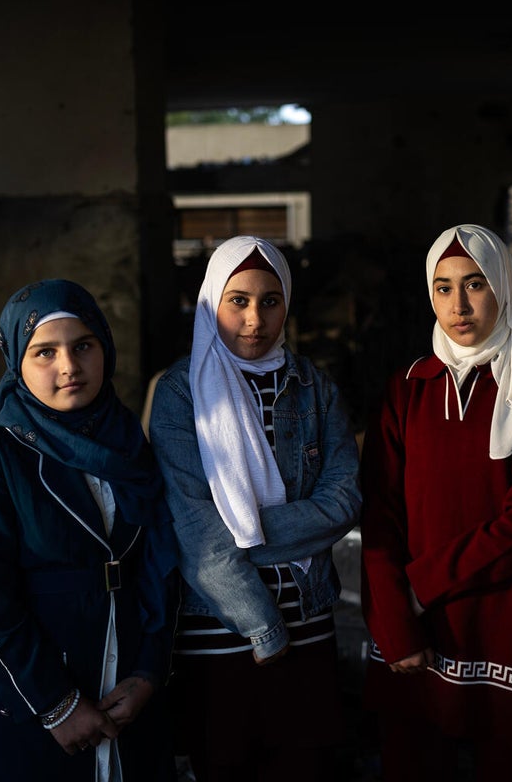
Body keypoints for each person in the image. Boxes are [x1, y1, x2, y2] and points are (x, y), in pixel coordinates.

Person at [0, 279, 179, 782]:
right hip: (37, 703)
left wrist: (148, 672)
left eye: (83, 345)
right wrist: (56, 705)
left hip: (129, 698)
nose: (69, 366)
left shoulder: (129, 444)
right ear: (18, 361)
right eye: (45, 352)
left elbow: (160, 563)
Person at [359, 223, 512, 781]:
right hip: (416, 628)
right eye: (443, 286)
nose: (458, 304)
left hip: (503, 627)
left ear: (504, 286)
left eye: (475, 284)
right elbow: (379, 513)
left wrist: (421, 584)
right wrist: (394, 620)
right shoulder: (409, 387)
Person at [146, 235, 362, 781]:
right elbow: (194, 528)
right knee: (227, 765)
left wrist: (236, 530)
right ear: (210, 301)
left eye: (270, 300)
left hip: (310, 617)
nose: (253, 318)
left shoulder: (316, 389)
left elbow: (343, 501)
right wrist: (262, 626)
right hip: (219, 627)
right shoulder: (180, 394)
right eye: (237, 300)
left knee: (305, 766)